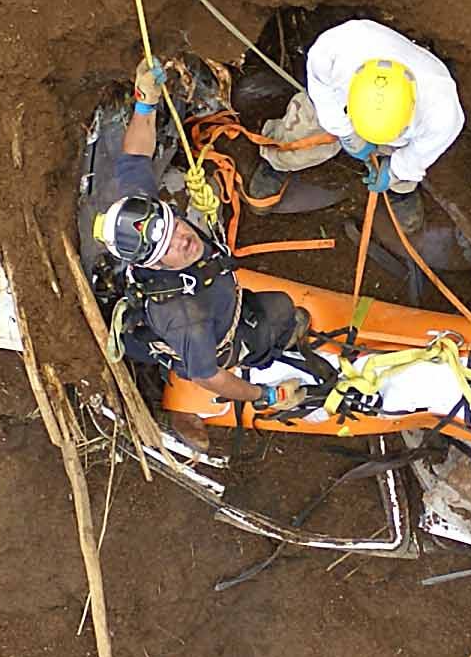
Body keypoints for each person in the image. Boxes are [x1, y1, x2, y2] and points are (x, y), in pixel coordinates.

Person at [83, 59, 320, 411]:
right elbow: (208, 376)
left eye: (175, 225)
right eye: (170, 246)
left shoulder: (142, 216)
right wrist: (267, 396)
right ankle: (263, 351)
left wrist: (145, 101)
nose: (183, 237)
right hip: (210, 333)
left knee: (270, 305)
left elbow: (135, 155)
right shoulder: (185, 318)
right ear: (155, 263)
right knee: (279, 314)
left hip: (212, 291)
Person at [297, 15, 465, 233]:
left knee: (406, 165)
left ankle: (400, 188)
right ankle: (279, 161)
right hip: (338, 99)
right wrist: (345, 132)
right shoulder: (335, 50)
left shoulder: (442, 113)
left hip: (406, 133)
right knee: (306, 124)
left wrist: (394, 172)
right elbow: (322, 92)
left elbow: (419, 154)